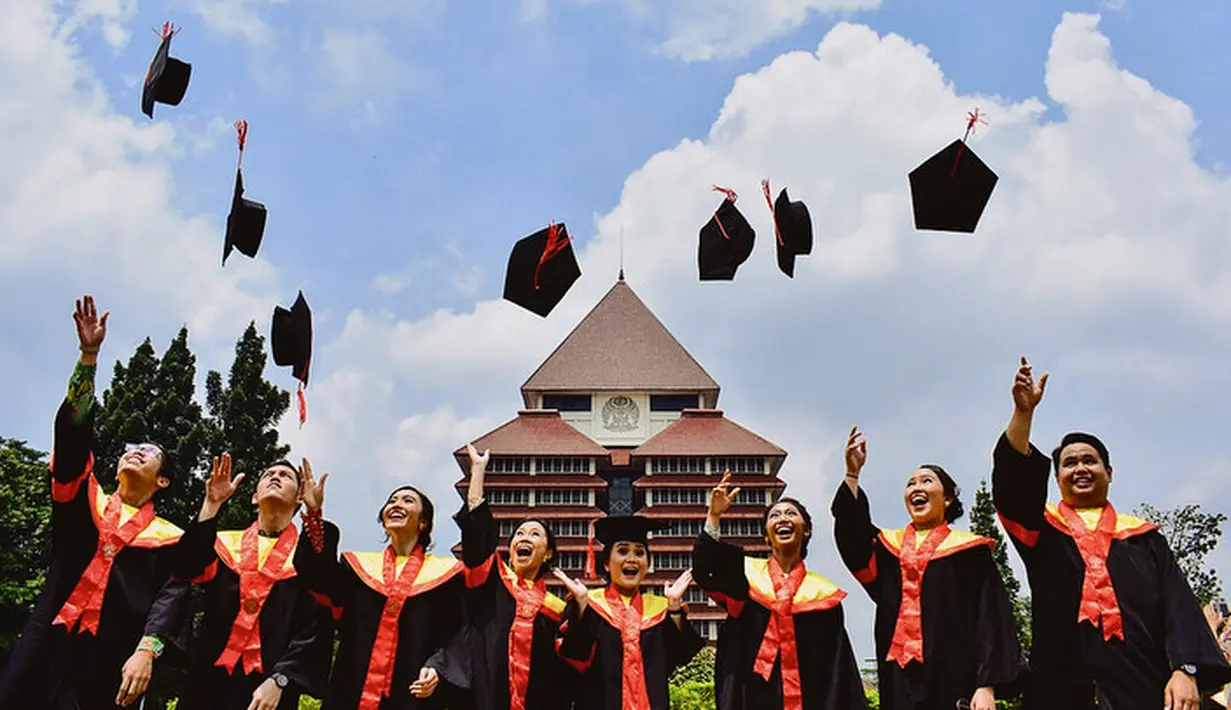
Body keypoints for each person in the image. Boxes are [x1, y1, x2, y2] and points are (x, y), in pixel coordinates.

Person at [992, 356, 1231, 710]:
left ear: (1109, 472)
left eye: (1089, 460)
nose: (1080, 468)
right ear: (1057, 478)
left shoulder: (1143, 538)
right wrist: (1023, 413)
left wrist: (1186, 670)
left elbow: (1179, 609)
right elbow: (1012, 490)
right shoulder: (1044, 530)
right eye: (1069, 463)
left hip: (1141, 688)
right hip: (1057, 690)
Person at [0, 294, 188, 710]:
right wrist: (88, 359)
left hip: (111, 658)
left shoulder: (170, 539)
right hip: (47, 639)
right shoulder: (84, 499)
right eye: (130, 448)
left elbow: (170, 601)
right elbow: (72, 442)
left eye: (148, 451)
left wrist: (148, 651)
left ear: (163, 480)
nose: (135, 452)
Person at [831, 427, 1023, 710]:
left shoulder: (969, 551)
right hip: (899, 679)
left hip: (955, 678)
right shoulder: (888, 549)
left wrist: (987, 685)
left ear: (947, 498)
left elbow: (991, 618)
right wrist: (852, 474)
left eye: (927, 481)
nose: (916, 488)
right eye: (911, 484)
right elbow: (852, 538)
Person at [141, 454, 334, 709]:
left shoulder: (308, 560)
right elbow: (185, 569)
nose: (275, 477)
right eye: (268, 475)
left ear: (299, 498)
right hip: (206, 685)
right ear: (254, 497)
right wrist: (211, 505)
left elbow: (316, 625)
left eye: (285, 476)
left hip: (270, 692)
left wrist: (282, 679)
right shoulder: (224, 545)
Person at [292, 461, 465, 709]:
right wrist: (313, 514)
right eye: (392, 501)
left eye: (407, 501)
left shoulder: (445, 576)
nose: (396, 504)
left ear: (423, 523)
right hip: (351, 692)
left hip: (412, 695)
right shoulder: (358, 569)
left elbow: (456, 636)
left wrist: (438, 667)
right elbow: (319, 578)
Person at [694, 473, 868, 710]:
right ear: (766, 536)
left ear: (806, 531)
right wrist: (714, 516)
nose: (783, 518)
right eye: (775, 515)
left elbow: (839, 670)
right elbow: (705, 570)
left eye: (791, 514)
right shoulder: (746, 577)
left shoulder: (823, 596)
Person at [446, 443, 577, 710]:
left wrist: (581, 609)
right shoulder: (492, 582)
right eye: (519, 534)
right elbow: (478, 539)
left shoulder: (556, 609)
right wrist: (478, 473)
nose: (524, 537)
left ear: (548, 553)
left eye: (535, 534)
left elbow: (566, 672)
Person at [554, 516, 702, 710]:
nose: (632, 559)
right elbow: (575, 656)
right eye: (623, 551)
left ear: (647, 564)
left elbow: (680, 656)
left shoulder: (660, 609)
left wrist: (674, 608)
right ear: (606, 564)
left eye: (639, 553)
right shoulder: (589, 604)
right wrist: (581, 607)